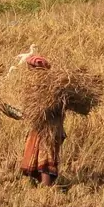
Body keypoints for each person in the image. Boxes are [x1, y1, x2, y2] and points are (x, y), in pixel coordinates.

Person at [19, 55, 64, 187]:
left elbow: (51, 109)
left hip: (50, 130)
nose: (30, 72)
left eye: (32, 69)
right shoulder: (37, 87)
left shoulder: (51, 88)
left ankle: (46, 189)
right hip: (41, 127)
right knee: (37, 155)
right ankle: (41, 185)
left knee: (46, 157)